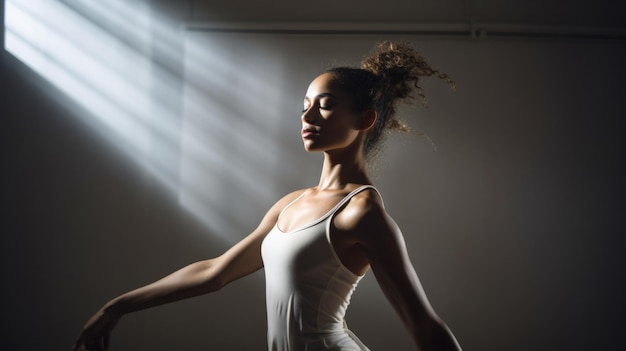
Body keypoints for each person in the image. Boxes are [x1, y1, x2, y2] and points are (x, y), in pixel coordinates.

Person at [73, 41, 461, 351]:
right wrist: (117, 306)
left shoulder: (361, 213)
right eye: (305, 106)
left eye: (324, 106)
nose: (307, 118)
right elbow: (215, 272)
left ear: (365, 120)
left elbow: (424, 325)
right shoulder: (290, 204)